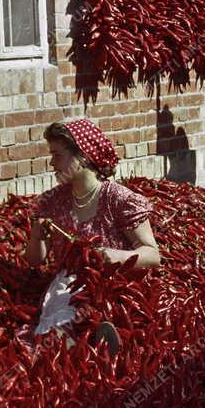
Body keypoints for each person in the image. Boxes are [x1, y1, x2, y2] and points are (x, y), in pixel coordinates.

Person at [24, 119, 160, 349]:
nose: (51, 163)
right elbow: (35, 260)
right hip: (70, 287)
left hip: (115, 282)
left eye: (57, 155)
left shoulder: (119, 199)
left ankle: (98, 338)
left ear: (83, 157)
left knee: (109, 308)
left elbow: (153, 255)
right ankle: (81, 341)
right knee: (63, 314)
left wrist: (116, 256)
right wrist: (37, 236)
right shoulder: (52, 202)